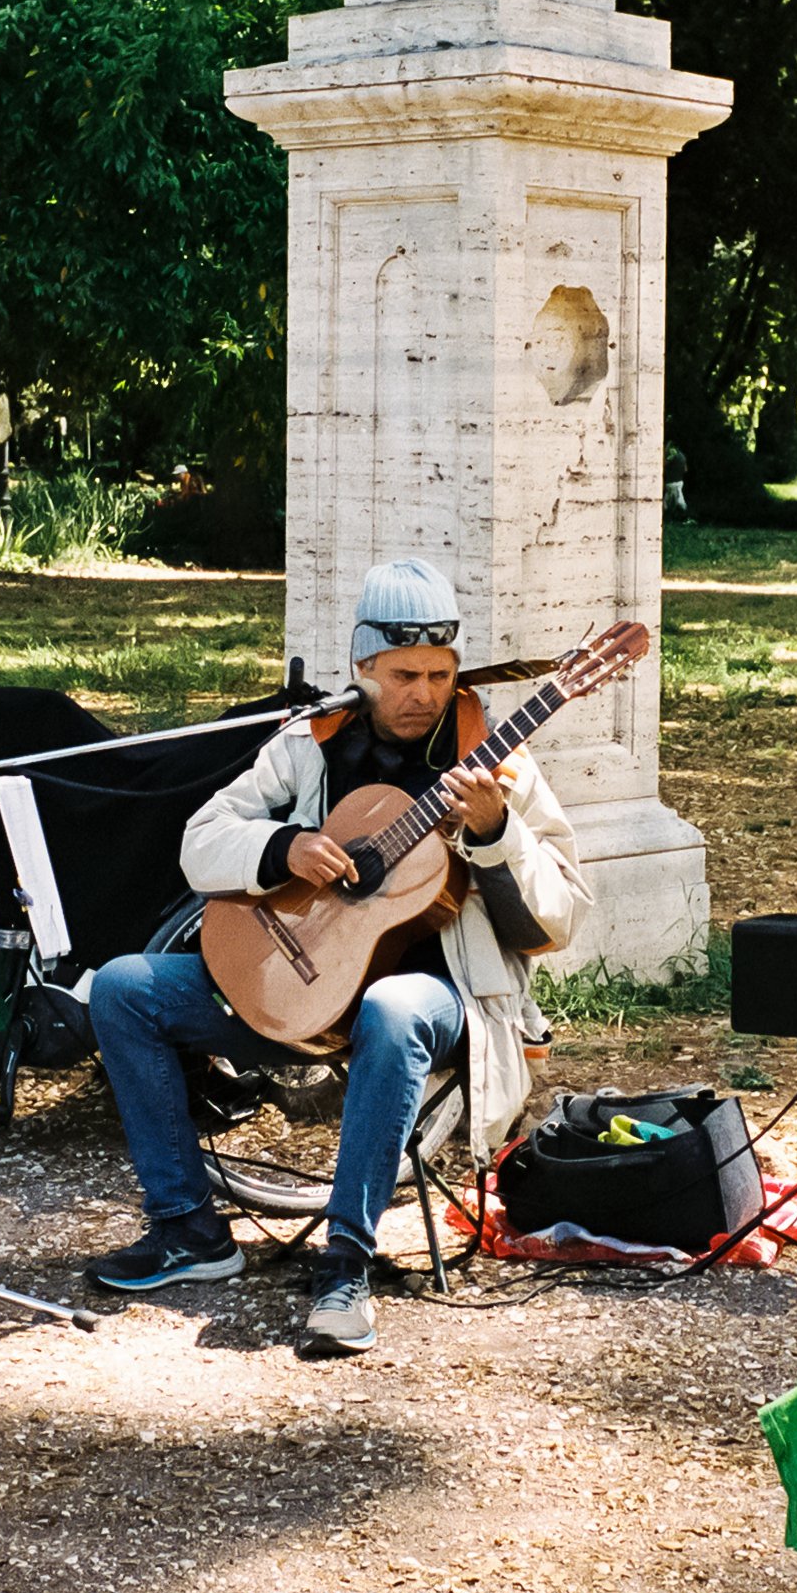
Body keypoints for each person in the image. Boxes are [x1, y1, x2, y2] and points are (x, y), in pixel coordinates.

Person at [84, 557, 592, 1357]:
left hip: (443, 997)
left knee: (393, 1010)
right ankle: (188, 1229)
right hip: (304, 986)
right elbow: (200, 842)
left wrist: (496, 834)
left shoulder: (499, 763)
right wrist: (285, 847)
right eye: (402, 674)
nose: (424, 692)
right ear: (362, 668)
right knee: (122, 988)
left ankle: (347, 1262)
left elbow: (558, 919)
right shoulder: (311, 742)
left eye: (439, 672)